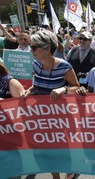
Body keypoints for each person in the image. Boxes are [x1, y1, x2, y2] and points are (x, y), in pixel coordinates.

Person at [21, 29, 80, 179]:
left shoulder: (64, 67)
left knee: (62, 149)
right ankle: (56, 177)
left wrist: (63, 89)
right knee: (48, 149)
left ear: (47, 49)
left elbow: (77, 87)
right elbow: (37, 86)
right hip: (41, 116)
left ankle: (70, 172)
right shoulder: (35, 65)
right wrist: (29, 91)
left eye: (34, 47)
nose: (30, 49)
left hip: (60, 117)